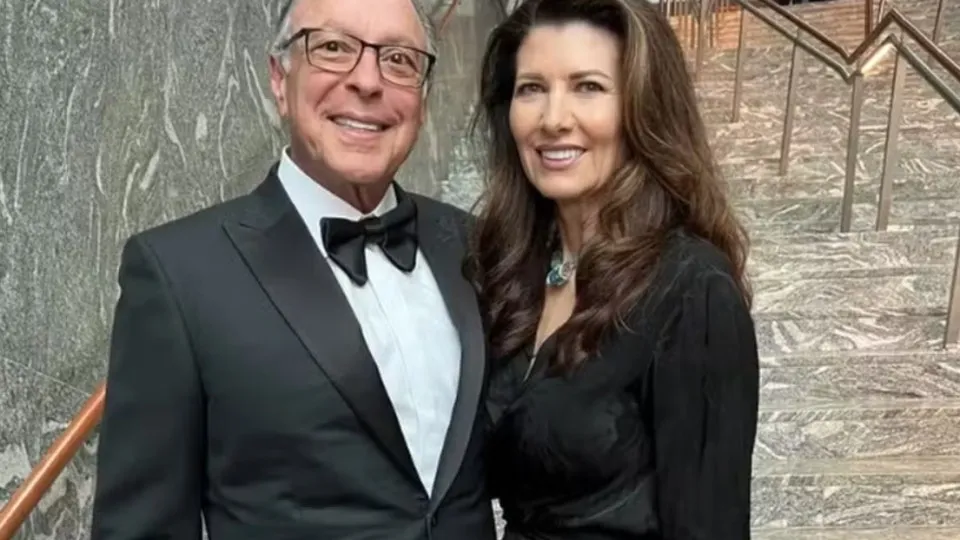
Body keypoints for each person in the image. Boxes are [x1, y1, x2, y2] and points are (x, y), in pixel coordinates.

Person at [90, 0, 495, 538]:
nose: (368, 81)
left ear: (423, 95)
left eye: (399, 59)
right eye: (333, 48)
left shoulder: (475, 244)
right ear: (280, 79)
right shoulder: (178, 274)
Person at [466, 0, 760, 538]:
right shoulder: (507, 267)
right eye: (532, 88)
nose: (554, 119)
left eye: (588, 87)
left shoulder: (692, 291)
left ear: (643, 107)